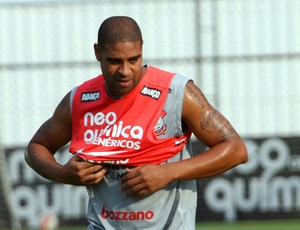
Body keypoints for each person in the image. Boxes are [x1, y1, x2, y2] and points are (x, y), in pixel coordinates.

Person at [25, 16, 248, 230]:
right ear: (97, 53)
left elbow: (236, 149)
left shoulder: (176, 93)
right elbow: (36, 147)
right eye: (114, 61)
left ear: (142, 49)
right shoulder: (81, 99)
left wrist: (168, 172)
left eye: (134, 59)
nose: (125, 71)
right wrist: (62, 173)